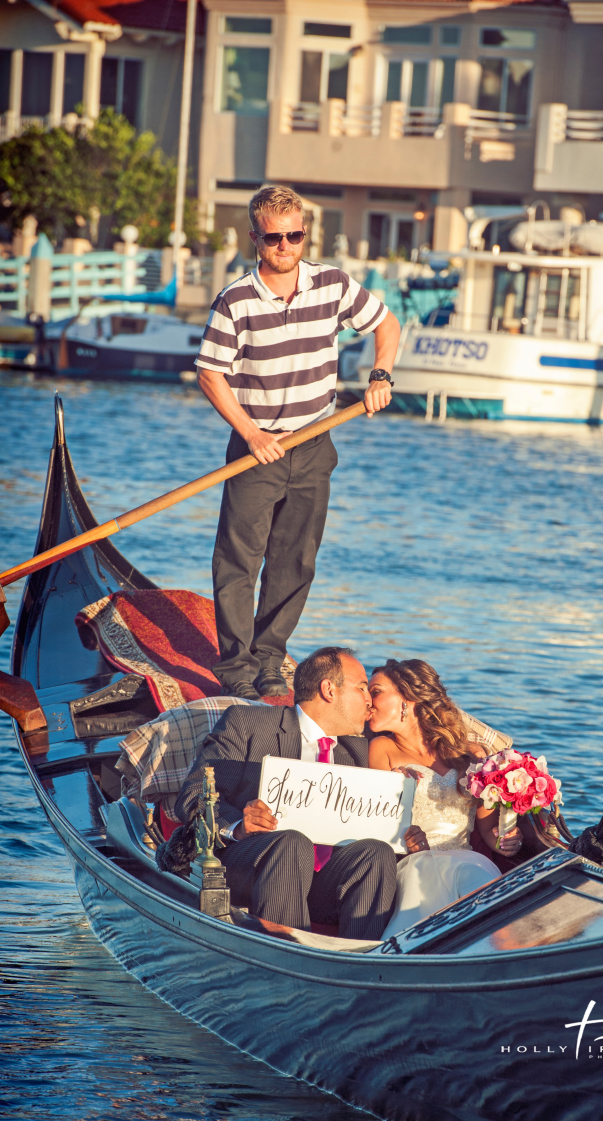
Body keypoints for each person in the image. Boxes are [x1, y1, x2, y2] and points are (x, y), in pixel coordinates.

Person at [195, 185, 401, 701]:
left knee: (296, 559)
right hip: (256, 447)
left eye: (294, 235)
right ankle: (236, 665)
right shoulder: (235, 300)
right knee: (239, 560)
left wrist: (381, 376)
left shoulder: (332, 285)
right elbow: (210, 374)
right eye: (273, 237)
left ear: (305, 234)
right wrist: (250, 434)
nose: (285, 245)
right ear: (255, 239)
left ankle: (269, 660)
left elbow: (387, 324)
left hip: (314, 444)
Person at [174, 647, 396, 941]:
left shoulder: (357, 751)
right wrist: (240, 825)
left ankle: (362, 964)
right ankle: (291, 955)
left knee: (376, 852)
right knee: (292, 842)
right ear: (329, 690)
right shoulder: (248, 723)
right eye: (361, 688)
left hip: (321, 884)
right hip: (249, 866)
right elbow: (192, 798)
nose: (369, 700)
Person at [367, 659, 521, 938]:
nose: (368, 700)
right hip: (415, 861)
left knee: (475, 881)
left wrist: (506, 840)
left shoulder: (472, 753)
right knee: (422, 879)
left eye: (375, 691)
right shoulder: (382, 749)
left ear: (407, 698)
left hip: (467, 858)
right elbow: (377, 821)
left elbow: (488, 832)